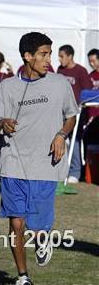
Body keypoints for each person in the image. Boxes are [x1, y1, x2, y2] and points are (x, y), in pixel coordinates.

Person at [0, 32, 79, 285]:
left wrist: (61, 135)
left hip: (45, 165)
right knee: (16, 223)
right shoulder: (7, 87)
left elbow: (71, 116)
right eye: (43, 54)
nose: (48, 59)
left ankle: (42, 238)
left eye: (50, 54)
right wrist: (2, 124)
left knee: (37, 226)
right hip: (13, 163)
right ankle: (23, 277)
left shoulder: (59, 84)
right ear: (27, 56)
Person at [57, 45, 92, 183]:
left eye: (62, 56)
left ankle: (75, 173)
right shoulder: (60, 70)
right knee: (60, 140)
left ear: (70, 56)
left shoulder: (81, 71)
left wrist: (77, 105)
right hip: (60, 112)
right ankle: (61, 170)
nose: (60, 60)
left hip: (75, 113)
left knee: (74, 142)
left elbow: (87, 92)